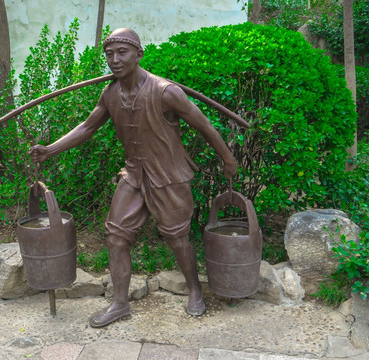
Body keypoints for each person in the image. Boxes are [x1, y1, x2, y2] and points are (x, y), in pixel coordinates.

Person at [30, 28, 237, 328]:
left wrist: (228, 158)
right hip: (134, 174)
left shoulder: (166, 92)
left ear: (139, 54)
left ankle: (195, 290)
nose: (115, 60)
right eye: (109, 54)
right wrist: (50, 150)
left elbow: (204, 125)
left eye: (122, 53)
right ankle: (119, 304)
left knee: (177, 238)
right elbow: (88, 127)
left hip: (168, 177)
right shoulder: (110, 93)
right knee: (115, 237)